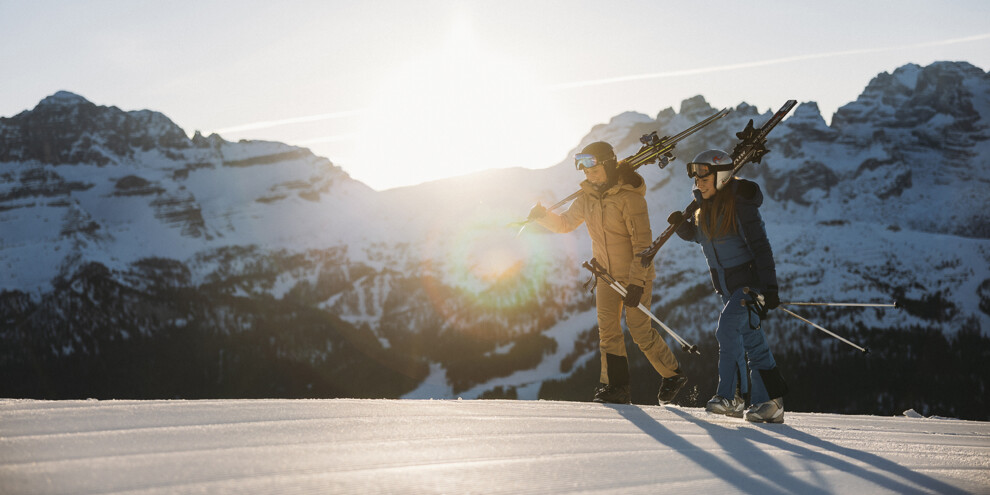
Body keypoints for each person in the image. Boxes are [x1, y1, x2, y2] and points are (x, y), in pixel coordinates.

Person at [528, 141, 688, 405]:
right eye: (584, 168)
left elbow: (643, 247)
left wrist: (637, 283)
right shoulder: (586, 198)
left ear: (608, 164)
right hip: (605, 276)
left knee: (639, 330)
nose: (588, 173)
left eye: (593, 166)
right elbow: (566, 223)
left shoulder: (630, 198)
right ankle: (615, 387)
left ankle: (673, 375)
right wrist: (543, 216)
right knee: (608, 332)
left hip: (635, 275)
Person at [672, 149, 788, 423]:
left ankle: (731, 396)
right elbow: (706, 239)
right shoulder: (704, 208)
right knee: (751, 341)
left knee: (727, 331)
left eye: (704, 174)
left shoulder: (741, 205)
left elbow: (761, 247)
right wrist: (684, 229)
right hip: (727, 288)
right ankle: (770, 403)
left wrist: (769, 289)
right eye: (694, 174)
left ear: (721, 176)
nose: (697, 180)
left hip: (749, 286)